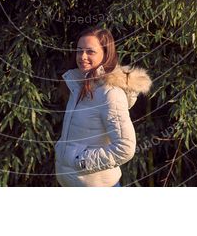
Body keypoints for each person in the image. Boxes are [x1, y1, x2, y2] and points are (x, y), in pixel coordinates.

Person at [54, 26, 152, 187]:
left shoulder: (110, 93)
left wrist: (82, 161)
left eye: (90, 51)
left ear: (106, 55)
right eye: (79, 51)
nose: (82, 56)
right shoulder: (79, 85)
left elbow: (125, 147)